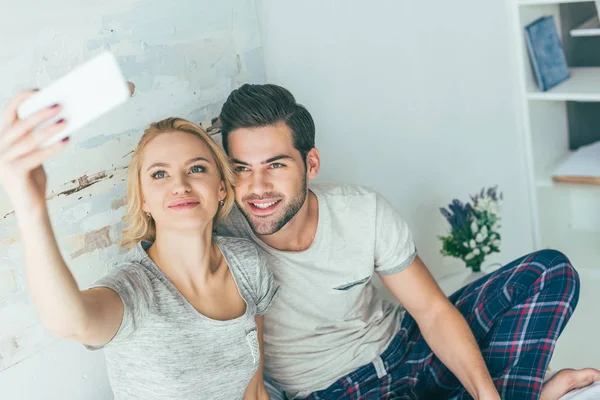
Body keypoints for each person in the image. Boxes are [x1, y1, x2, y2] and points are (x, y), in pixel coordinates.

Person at [215, 83, 600, 400]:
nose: (257, 187)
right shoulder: (222, 236)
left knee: (548, 271)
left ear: (310, 164)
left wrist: (487, 396)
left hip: (408, 349)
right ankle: (536, 393)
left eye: (276, 165)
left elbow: (432, 311)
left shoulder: (361, 210)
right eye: (241, 169)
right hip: (335, 391)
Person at [0, 90, 277, 400]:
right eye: (160, 174)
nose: (180, 185)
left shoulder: (248, 265)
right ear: (144, 199)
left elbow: (255, 390)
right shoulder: (135, 290)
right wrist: (30, 205)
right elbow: (71, 321)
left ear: (221, 189)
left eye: (197, 168)